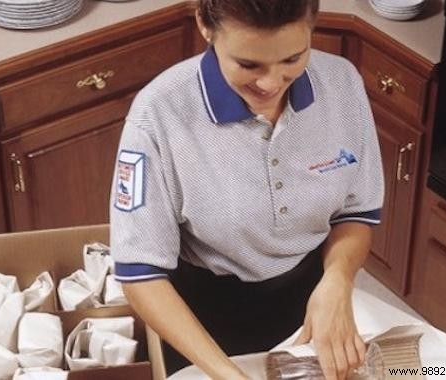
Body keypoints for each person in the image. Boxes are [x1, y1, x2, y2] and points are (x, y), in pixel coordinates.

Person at [109, 0, 384, 379]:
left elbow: (356, 212)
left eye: (292, 58)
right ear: (205, 25)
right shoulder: (157, 114)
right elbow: (140, 271)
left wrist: (338, 279)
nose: (271, 83)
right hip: (203, 323)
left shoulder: (341, 84)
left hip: (313, 298)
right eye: (248, 64)